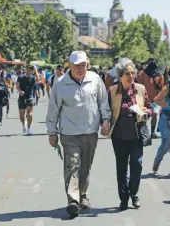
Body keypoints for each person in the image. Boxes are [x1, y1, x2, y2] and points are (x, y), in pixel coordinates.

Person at [46, 51, 110, 218]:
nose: (81, 69)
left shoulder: (95, 79)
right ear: (70, 66)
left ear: (87, 65)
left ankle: (83, 195)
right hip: (69, 133)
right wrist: (52, 132)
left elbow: (103, 102)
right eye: (77, 66)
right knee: (72, 165)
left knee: (85, 167)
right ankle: (73, 200)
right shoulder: (60, 84)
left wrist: (105, 120)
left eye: (83, 65)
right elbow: (53, 110)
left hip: (90, 132)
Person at [108, 58, 153, 211]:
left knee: (137, 165)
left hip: (136, 135)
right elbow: (106, 111)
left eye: (133, 73)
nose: (131, 76)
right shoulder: (113, 91)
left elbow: (150, 107)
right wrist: (105, 123)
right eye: (127, 73)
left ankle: (134, 193)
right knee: (121, 168)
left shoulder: (140, 88)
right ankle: (123, 198)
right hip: (119, 137)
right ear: (120, 75)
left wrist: (147, 112)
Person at [137, 58, 164, 139]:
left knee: (155, 114)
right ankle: (143, 132)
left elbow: (162, 88)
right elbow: (138, 86)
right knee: (144, 115)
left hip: (155, 99)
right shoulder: (141, 74)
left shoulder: (159, 75)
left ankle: (152, 132)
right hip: (144, 99)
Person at [16, 65, 41, 135]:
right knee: (21, 115)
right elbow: (17, 86)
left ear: (32, 71)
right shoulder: (21, 77)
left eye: (30, 70)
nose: (28, 71)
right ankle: (24, 124)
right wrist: (20, 91)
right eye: (27, 69)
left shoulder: (33, 78)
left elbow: (38, 79)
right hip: (21, 97)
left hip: (30, 97)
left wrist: (35, 70)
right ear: (25, 70)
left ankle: (29, 129)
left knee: (29, 112)